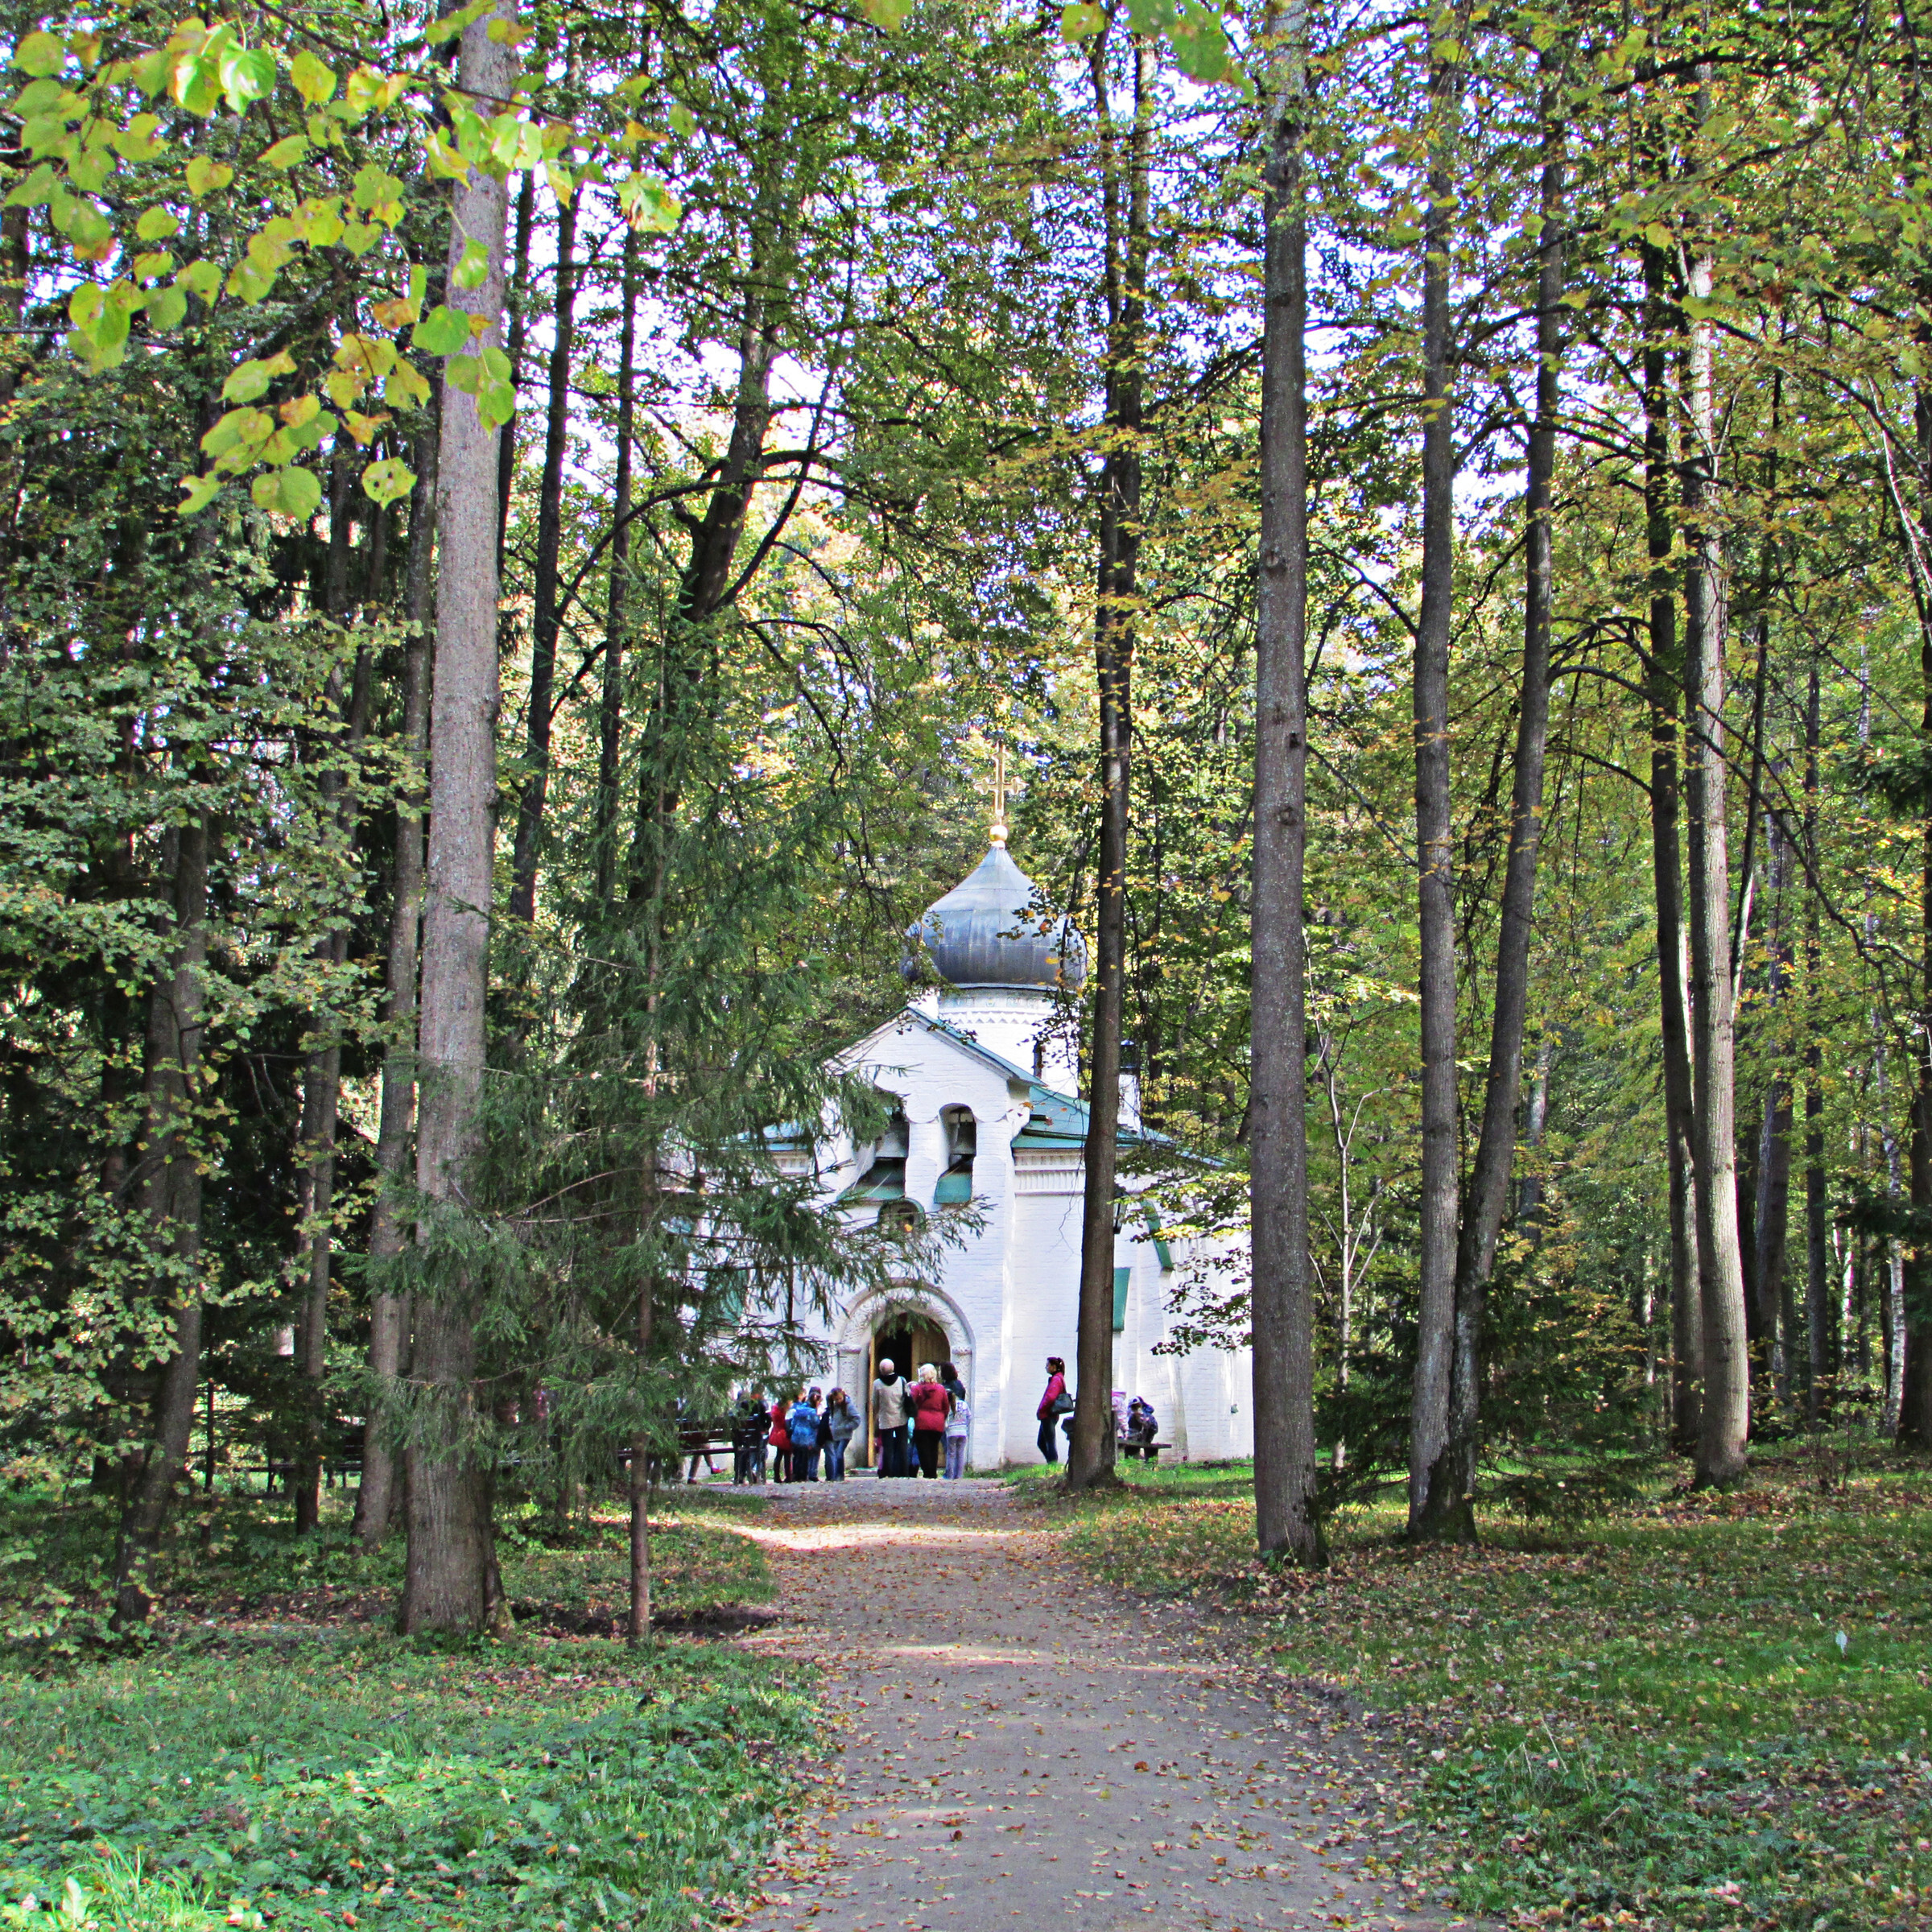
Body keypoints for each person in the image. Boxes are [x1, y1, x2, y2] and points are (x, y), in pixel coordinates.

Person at [908, 1363, 949, 1477]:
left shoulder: (917, 1389)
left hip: (921, 1423)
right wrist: (942, 1417)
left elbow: (912, 1403)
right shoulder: (941, 1389)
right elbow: (946, 1407)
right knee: (934, 1448)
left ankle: (928, 1473)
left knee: (923, 1449)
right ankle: (933, 1472)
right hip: (937, 1423)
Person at [872, 1356, 909, 1477]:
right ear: (893, 1368)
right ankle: (904, 1472)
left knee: (888, 1447)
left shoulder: (877, 1383)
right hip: (901, 1417)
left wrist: (875, 1415)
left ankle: (888, 1472)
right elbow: (907, 1396)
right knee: (902, 1446)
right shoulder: (902, 1380)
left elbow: (875, 1402)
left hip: (885, 1418)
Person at [822, 1388, 861, 1480]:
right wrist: (832, 1426)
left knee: (839, 1453)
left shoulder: (849, 1406)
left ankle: (840, 1475)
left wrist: (847, 1427)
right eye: (836, 1399)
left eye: (840, 1399)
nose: (838, 1401)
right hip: (836, 1434)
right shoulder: (833, 1406)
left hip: (845, 1434)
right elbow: (832, 1417)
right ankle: (835, 1475)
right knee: (835, 1454)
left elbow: (857, 1419)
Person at [1036, 1356, 1068, 1464]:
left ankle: (1053, 1464)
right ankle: (1051, 1463)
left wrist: (1041, 1409)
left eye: (1048, 1365)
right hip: (1048, 1415)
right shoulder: (1057, 1379)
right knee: (1042, 1442)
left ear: (1054, 1367)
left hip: (1048, 1415)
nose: (1046, 1367)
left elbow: (1050, 1397)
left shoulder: (1056, 1380)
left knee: (1049, 1442)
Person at [732, 1392, 768, 1484]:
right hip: (755, 1438)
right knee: (761, 1450)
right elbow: (766, 1423)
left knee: (743, 1452)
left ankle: (741, 1474)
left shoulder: (735, 1412)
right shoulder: (759, 1407)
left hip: (741, 1440)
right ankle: (754, 1469)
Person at [787, 1389, 821, 1482]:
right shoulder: (812, 1412)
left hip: (797, 1436)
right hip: (807, 1437)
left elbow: (793, 1422)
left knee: (797, 1456)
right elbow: (815, 1424)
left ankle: (795, 1474)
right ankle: (803, 1475)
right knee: (805, 1457)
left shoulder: (799, 1409)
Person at [943, 1374, 970, 1480]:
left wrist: (947, 1428)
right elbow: (970, 1417)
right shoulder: (963, 1404)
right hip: (962, 1432)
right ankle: (959, 1475)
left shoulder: (949, 1406)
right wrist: (965, 1426)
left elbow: (945, 1420)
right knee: (961, 1454)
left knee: (951, 1454)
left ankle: (950, 1475)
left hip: (952, 1433)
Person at [1122, 1395, 1160, 1462]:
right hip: (1133, 1440)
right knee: (1131, 1448)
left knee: (1150, 1453)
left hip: (1146, 1439)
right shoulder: (1129, 1416)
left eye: (1137, 1406)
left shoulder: (1148, 1416)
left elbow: (1155, 1430)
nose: (1136, 1408)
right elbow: (1126, 1428)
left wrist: (1144, 1421)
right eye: (1133, 1406)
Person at [766, 1393, 791, 1484]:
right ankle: (788, 1476)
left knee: (779, 1455)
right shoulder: (784, 1412)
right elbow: (786, 1422)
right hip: (783, 1434)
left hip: (777, 1432)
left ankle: (776, 1476)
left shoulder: (775, 1410)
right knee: (787, 1456)